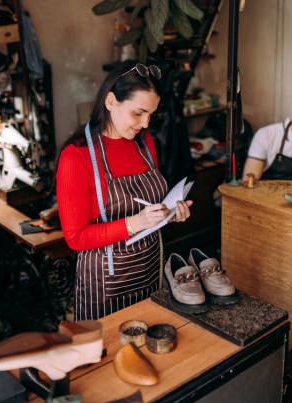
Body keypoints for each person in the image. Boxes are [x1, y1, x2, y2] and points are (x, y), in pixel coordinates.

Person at [56, 62, 193, 321]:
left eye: (151, 114)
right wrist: (135, 223)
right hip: (106, 285)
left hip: (151, 269)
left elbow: (150, 207)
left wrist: (169, 213)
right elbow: (75, 238)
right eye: (138, 113)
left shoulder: (145, 143)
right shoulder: (76, 157)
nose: (145, 123)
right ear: (110, 101)